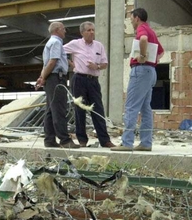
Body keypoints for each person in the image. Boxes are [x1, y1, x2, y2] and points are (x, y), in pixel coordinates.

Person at [111, 8, 164, 152]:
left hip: (140, 71)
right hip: (151, 71)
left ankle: (127, 143)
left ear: (137, 18)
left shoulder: (142, 29)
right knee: (145, 108)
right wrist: (153, 60)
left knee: (131, 106)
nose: (131, 21)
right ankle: (146, 143)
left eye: (131, 18)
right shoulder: (151, 30)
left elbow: (143, 39)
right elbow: (161, 51)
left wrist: (142, 55)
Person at [64, 21, 115, 148]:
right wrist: (70, 62)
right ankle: (82, 139)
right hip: (79, 79)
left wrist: (96, 66)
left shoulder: (99, 46)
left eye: (93, 30)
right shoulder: (75, 44)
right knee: (79, 109)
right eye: (89, 30)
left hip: (93, 81)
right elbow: (59, 51)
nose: (92, 32)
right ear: (82, 33)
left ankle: (105, 140)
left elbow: (105, 64)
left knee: (98, 109)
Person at [36, 22, 80, 149]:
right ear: (57, 30)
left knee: (50, 110)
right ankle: (65, 140)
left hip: (51, 79)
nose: (65, 31)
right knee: (59, 110)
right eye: (63, 29)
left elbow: (46, 64)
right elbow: (52, 61)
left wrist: (42, 77)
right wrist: (43, 77)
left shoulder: (50, 43)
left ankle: (49, 140)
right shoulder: (56, 42)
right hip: (56, 78)